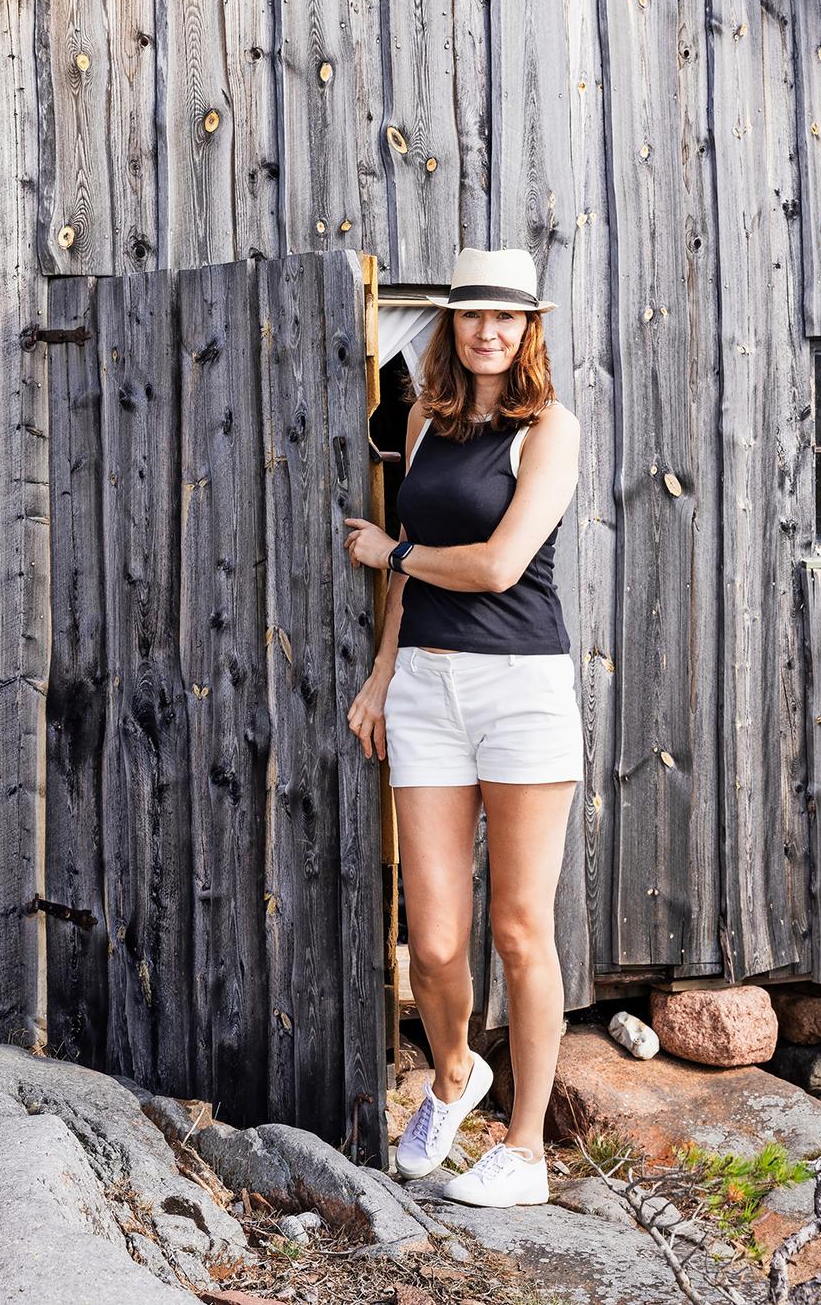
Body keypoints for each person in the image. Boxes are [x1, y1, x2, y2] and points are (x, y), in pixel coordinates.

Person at [340, 246, 582, 1209]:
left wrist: (393, 546)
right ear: (450, 327)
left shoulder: (549, 429)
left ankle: (523, 1149)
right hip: (426, 692)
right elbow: (410, 576)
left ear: (529, 330)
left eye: (507, 319)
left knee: (519, 930)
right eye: (472, 317)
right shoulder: (421, 422)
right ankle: (452, 1074)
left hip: (520, 690)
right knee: (434, 943)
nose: (488, 332)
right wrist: (382, 673)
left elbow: (492, 566)